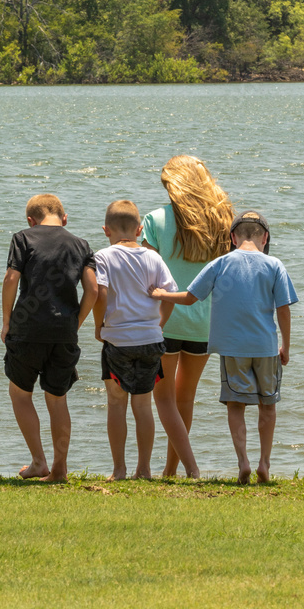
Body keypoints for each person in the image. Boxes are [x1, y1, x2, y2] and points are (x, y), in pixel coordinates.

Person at [150, 211, 297, 485]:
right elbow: (284, 309)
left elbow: (191, 297)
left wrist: (161, 294)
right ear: (265, 237)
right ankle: (264, 462)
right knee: (268, 406)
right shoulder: (275, 265)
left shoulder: (220, 264)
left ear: (232, 237)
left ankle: (243, 461)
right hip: (265, 347)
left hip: (233, 349)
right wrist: (285, 346)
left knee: (236, 405)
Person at [93, 200, 201, 481]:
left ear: (106, 230)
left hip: (117, 340)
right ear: (140, 229)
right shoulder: (153, 258)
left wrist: (98, 325)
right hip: (150, 340)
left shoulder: (103, 256)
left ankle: (119, 469)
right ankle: (144, 469)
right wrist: (159, 324)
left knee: (116, 404)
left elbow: (100, 293)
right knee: (143, 406)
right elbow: (170, 294)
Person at [142, 155, 233, 477]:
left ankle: (188, 468)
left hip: (164, 320)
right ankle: (170, 470)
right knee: (186, 398)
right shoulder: (224, 222)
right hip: (206, 321)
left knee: (163, 398)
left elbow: (147, 275)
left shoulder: (154, 219)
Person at [1, 193, 98, 482]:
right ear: (64, 218)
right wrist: (76, 323)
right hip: (64, 331)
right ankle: (60, 469)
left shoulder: (23, 238)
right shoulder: (81, 245)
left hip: (27, 328)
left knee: (20, 394)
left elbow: (11, 279)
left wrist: (6, 321)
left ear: (31, 220)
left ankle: (38, 461)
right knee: (58, 399)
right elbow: (93, 291)